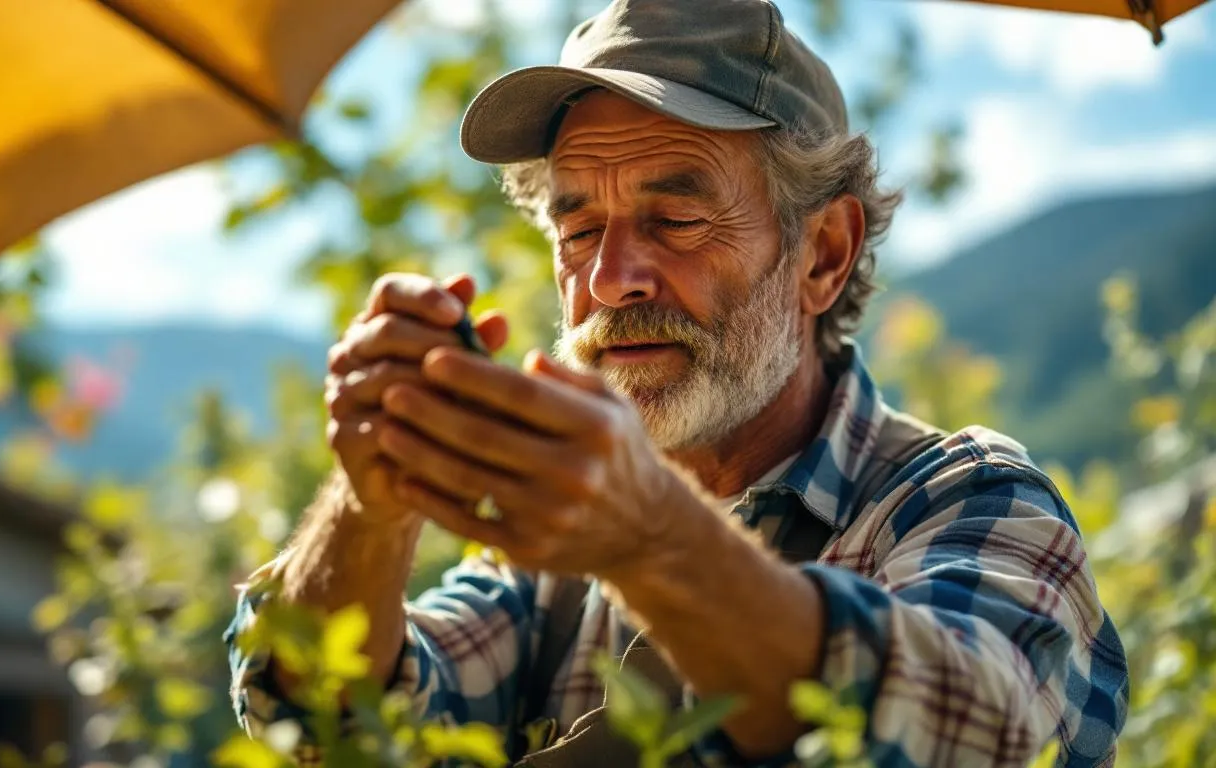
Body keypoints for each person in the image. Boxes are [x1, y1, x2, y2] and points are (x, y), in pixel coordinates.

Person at [224, 0, 1128, 765]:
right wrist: (372, 498)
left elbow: (984, 732)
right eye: (579, 232)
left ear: (824, 254)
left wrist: (651, 539)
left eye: (677, 217)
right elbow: (331, 725)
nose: (613, 278)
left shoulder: (963, 501)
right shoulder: (546, 560)